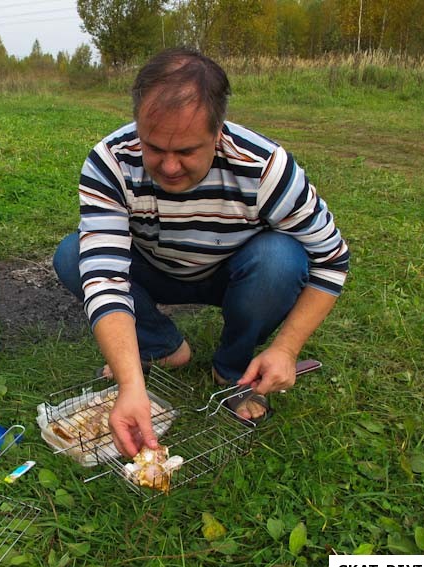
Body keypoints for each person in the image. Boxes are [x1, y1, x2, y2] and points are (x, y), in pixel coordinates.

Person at [53, 48, 350, 459]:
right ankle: (161, 346)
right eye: (154, 147)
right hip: (153, 267)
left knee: (281, 259)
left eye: (187, 151)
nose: (169, 166)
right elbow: (105, 276)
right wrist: (131, 385)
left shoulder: (266, 168)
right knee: (74, 256)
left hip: (236, 273)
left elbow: (332, 259)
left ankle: (232, 370)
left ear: (218, 132)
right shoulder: (110, 162)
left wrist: (286, 349)